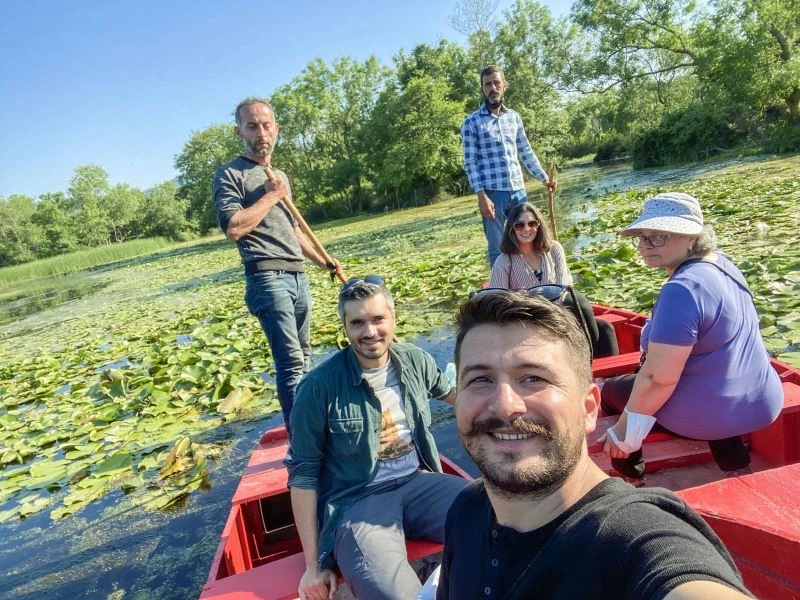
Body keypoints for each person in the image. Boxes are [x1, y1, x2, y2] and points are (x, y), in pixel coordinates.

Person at [437, 290, 753, 599]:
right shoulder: (468, 508)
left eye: (534, 378)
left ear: (588, 408)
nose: (505, 406)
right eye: (480, 380)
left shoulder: (634, 540)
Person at [285, 277, 468, 600]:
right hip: (358, 501)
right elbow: (303, 475)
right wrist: (314, 565)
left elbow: (456, 396)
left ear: (393, 319)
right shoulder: (318, 387)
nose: (369, 331)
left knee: (500, 515)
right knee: (393, 594)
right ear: (344, 327)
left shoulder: (414, 360)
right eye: (357, 322)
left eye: (377, 319)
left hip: (419, 482)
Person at [599, 192, 783, 483]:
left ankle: (633, 477)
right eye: (642, 237)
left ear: (691, 237)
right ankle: (737, 467)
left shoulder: (681, 289)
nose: (645, 245)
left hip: (711, 414)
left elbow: (656, 380)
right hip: (762, 401)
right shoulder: (724, 264)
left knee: (612, 392)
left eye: (658, 236)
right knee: (709, 381)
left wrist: (625, 429)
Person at [213, 97, 341, 434]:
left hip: (297, 275)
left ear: (276, 128)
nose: (261, 132)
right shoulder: (230, 174)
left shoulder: (280, 174)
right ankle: (303, 446)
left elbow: (293, 230)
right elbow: (234, 228)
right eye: (252, 125)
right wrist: (271, 195)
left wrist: (322, 261)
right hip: (267, 276)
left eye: (266, 124)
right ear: (238, 130)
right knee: (291, 363)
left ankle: (311, 430)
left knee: (305, 356)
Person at [489, 202, 618, 358]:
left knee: (605, 327)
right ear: (511, 229)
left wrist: (555, 311)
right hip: (528, 321)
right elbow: (497, 302)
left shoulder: (553, 249)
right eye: (519, 225)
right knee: (580, 306)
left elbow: (564, 286)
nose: (526, 229)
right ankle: (588, 364)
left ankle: (603, 374)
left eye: (532, 223)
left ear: (539, 226)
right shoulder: (505, 261)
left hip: (559, 312)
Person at [461, 65, 556, 267]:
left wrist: (544, 178)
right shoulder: (471, 122)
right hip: (493, 194)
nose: (492, 87)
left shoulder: (514, 117)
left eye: (497, 83)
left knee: (527, 241)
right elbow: (470, 162)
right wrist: (481, 196)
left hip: (518, 192)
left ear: (504, 86)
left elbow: (526, 151)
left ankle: (528, 287)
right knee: (497, 249)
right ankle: (500, 295)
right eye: (488, 84)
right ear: (482, 89)